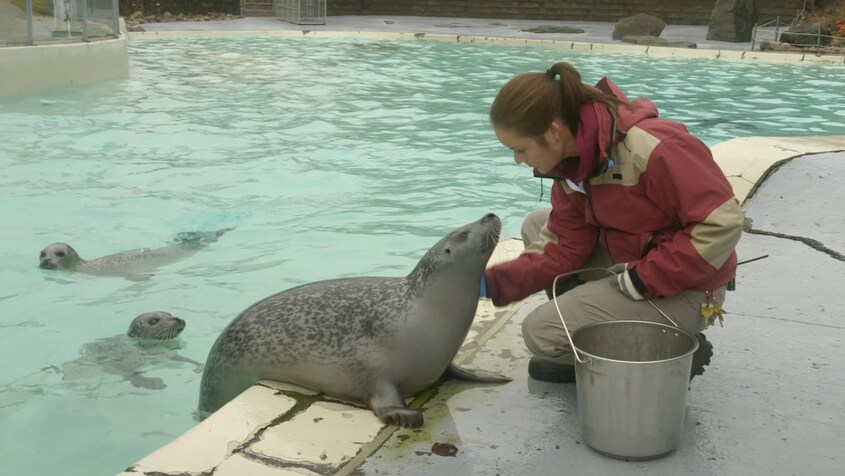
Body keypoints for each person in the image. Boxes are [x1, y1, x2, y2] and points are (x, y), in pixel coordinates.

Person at [480, 62, 744, 383]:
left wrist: (645, 279)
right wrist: (489, 285)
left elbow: (723, 222)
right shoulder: (573, 165)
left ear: (553, 130)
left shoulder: (652, 147)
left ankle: (674, 350)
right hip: (636, 260)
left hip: (689, 287)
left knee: (543, 334)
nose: (517, 160)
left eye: (520, 149)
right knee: (539, 224)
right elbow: (564, 247)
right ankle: (597, 322)